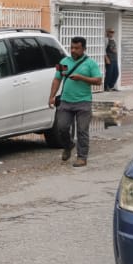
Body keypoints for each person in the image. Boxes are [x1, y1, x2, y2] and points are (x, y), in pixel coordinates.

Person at [48, 36, 103, 167]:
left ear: (84, 49)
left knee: (82, 130)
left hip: (83, 102)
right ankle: (68, 145)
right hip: (66, 102)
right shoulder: (64, 61)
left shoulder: (91, 63)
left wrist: (81, 78)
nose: (73, 50)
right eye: (72, 47)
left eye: (77, 48)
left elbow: (98, 80)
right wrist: (51, 96)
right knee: (62, 128)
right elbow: (57, 79)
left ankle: (82, 157)